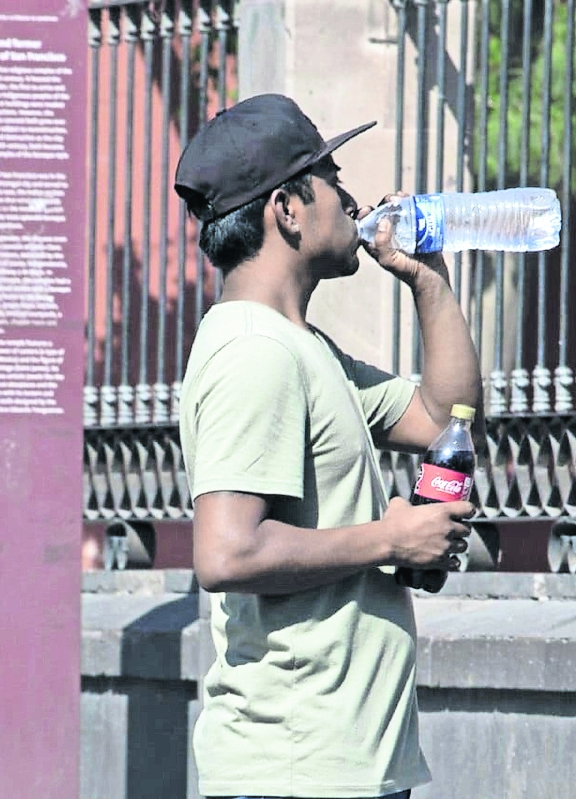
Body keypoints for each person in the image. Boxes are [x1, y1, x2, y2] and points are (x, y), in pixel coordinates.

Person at [173, 93, 484, 799]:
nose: (350, 199)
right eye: (331, 179)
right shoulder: (252, 350)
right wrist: (390, 539)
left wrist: (427, 279)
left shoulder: (305, 348)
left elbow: (448, 416)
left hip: (339, 766)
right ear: (286, 208)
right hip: (295, 768)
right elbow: (226, 553)